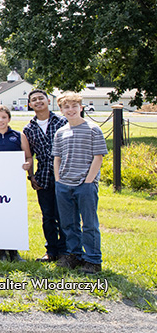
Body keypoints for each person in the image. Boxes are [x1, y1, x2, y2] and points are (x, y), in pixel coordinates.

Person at [53, 92, 106, 274]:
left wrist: (88, 181)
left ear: (81, 108)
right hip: (64, 184)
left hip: (85, 184)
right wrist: (58, 180)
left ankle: (92, 260)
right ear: (61, 110)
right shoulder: (61, 132)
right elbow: (57, 158)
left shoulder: (93, 129)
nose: (71, 110)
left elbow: (98, 157)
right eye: (66, 107)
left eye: (74, 106)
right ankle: (74, 255)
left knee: (89, 224)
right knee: (68, 223)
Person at [22, 89, 68, 263]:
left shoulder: (62, 121)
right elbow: (29, 155)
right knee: (48, 216)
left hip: (64, 176)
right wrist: (31, 176)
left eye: (41, 98)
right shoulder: (29, 128)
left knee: (64, 215)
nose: (38, 101)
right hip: (43, 177)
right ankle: (51, 251)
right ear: (30, 104)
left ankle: (66, 251)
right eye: (34, 100)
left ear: (49, 101)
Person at [0, 105, 30, 262]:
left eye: (4, 117)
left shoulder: (19, 136)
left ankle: (14, 251)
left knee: (14, 216)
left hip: (14, 183)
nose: (0, 120)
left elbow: (28, 157)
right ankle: (0, 252)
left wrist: (28, 165)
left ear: (9, 119)